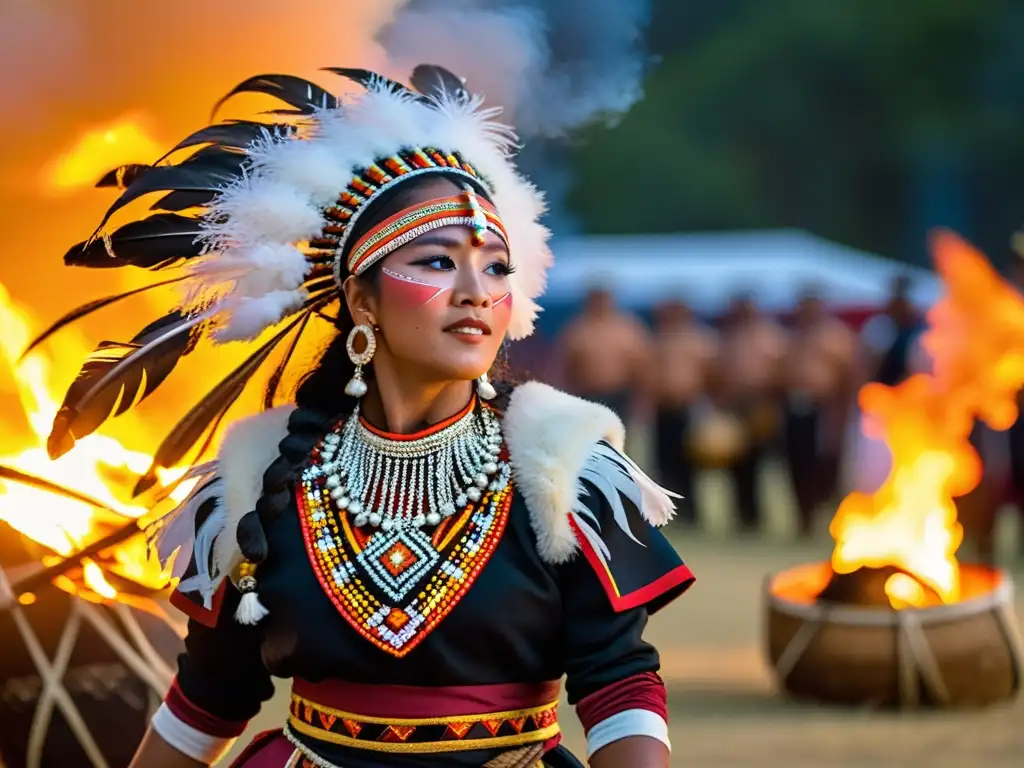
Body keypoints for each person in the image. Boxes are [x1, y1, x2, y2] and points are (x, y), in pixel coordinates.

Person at [40, 66, 693, 767]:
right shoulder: (257, 482)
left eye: (498, 267)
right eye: (438, 261)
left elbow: (619, 687)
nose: (476, 291)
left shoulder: (566, 471)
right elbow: (208, 697)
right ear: (363, 301)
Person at [780, 288, 857, 536]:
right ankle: (803, 516)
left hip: (823, 407)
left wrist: (841, 412)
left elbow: (849, 376)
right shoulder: (793, 336)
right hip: (794, 406)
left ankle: (826, 515)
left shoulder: (835, 336)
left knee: (821, 463)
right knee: (796, 463)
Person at [709, 293, 788, 532]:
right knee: (735, 463)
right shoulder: (728, 339)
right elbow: (715, 373)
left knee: (761, 461)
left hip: (761, 405)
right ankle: (741, 516)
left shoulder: (771, 337)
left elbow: (782, 372)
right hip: (734, 406)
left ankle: (758, 516)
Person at [649, 298, 718, 522]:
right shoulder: (659, 340)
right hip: (664, 408)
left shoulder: (701, 341)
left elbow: (712, 376)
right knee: (665, 462)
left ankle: (693, 513)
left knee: (689, 461)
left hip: (689, 409)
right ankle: (670, 512)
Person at [554, 285, 652, 423]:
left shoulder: (627, 328)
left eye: (603, 299)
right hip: (587, 395)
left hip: (620, 395)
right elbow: (564, 365)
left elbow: (642, 365)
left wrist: (642, 399)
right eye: (596, 299)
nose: (600, 303)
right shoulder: (577, 329)